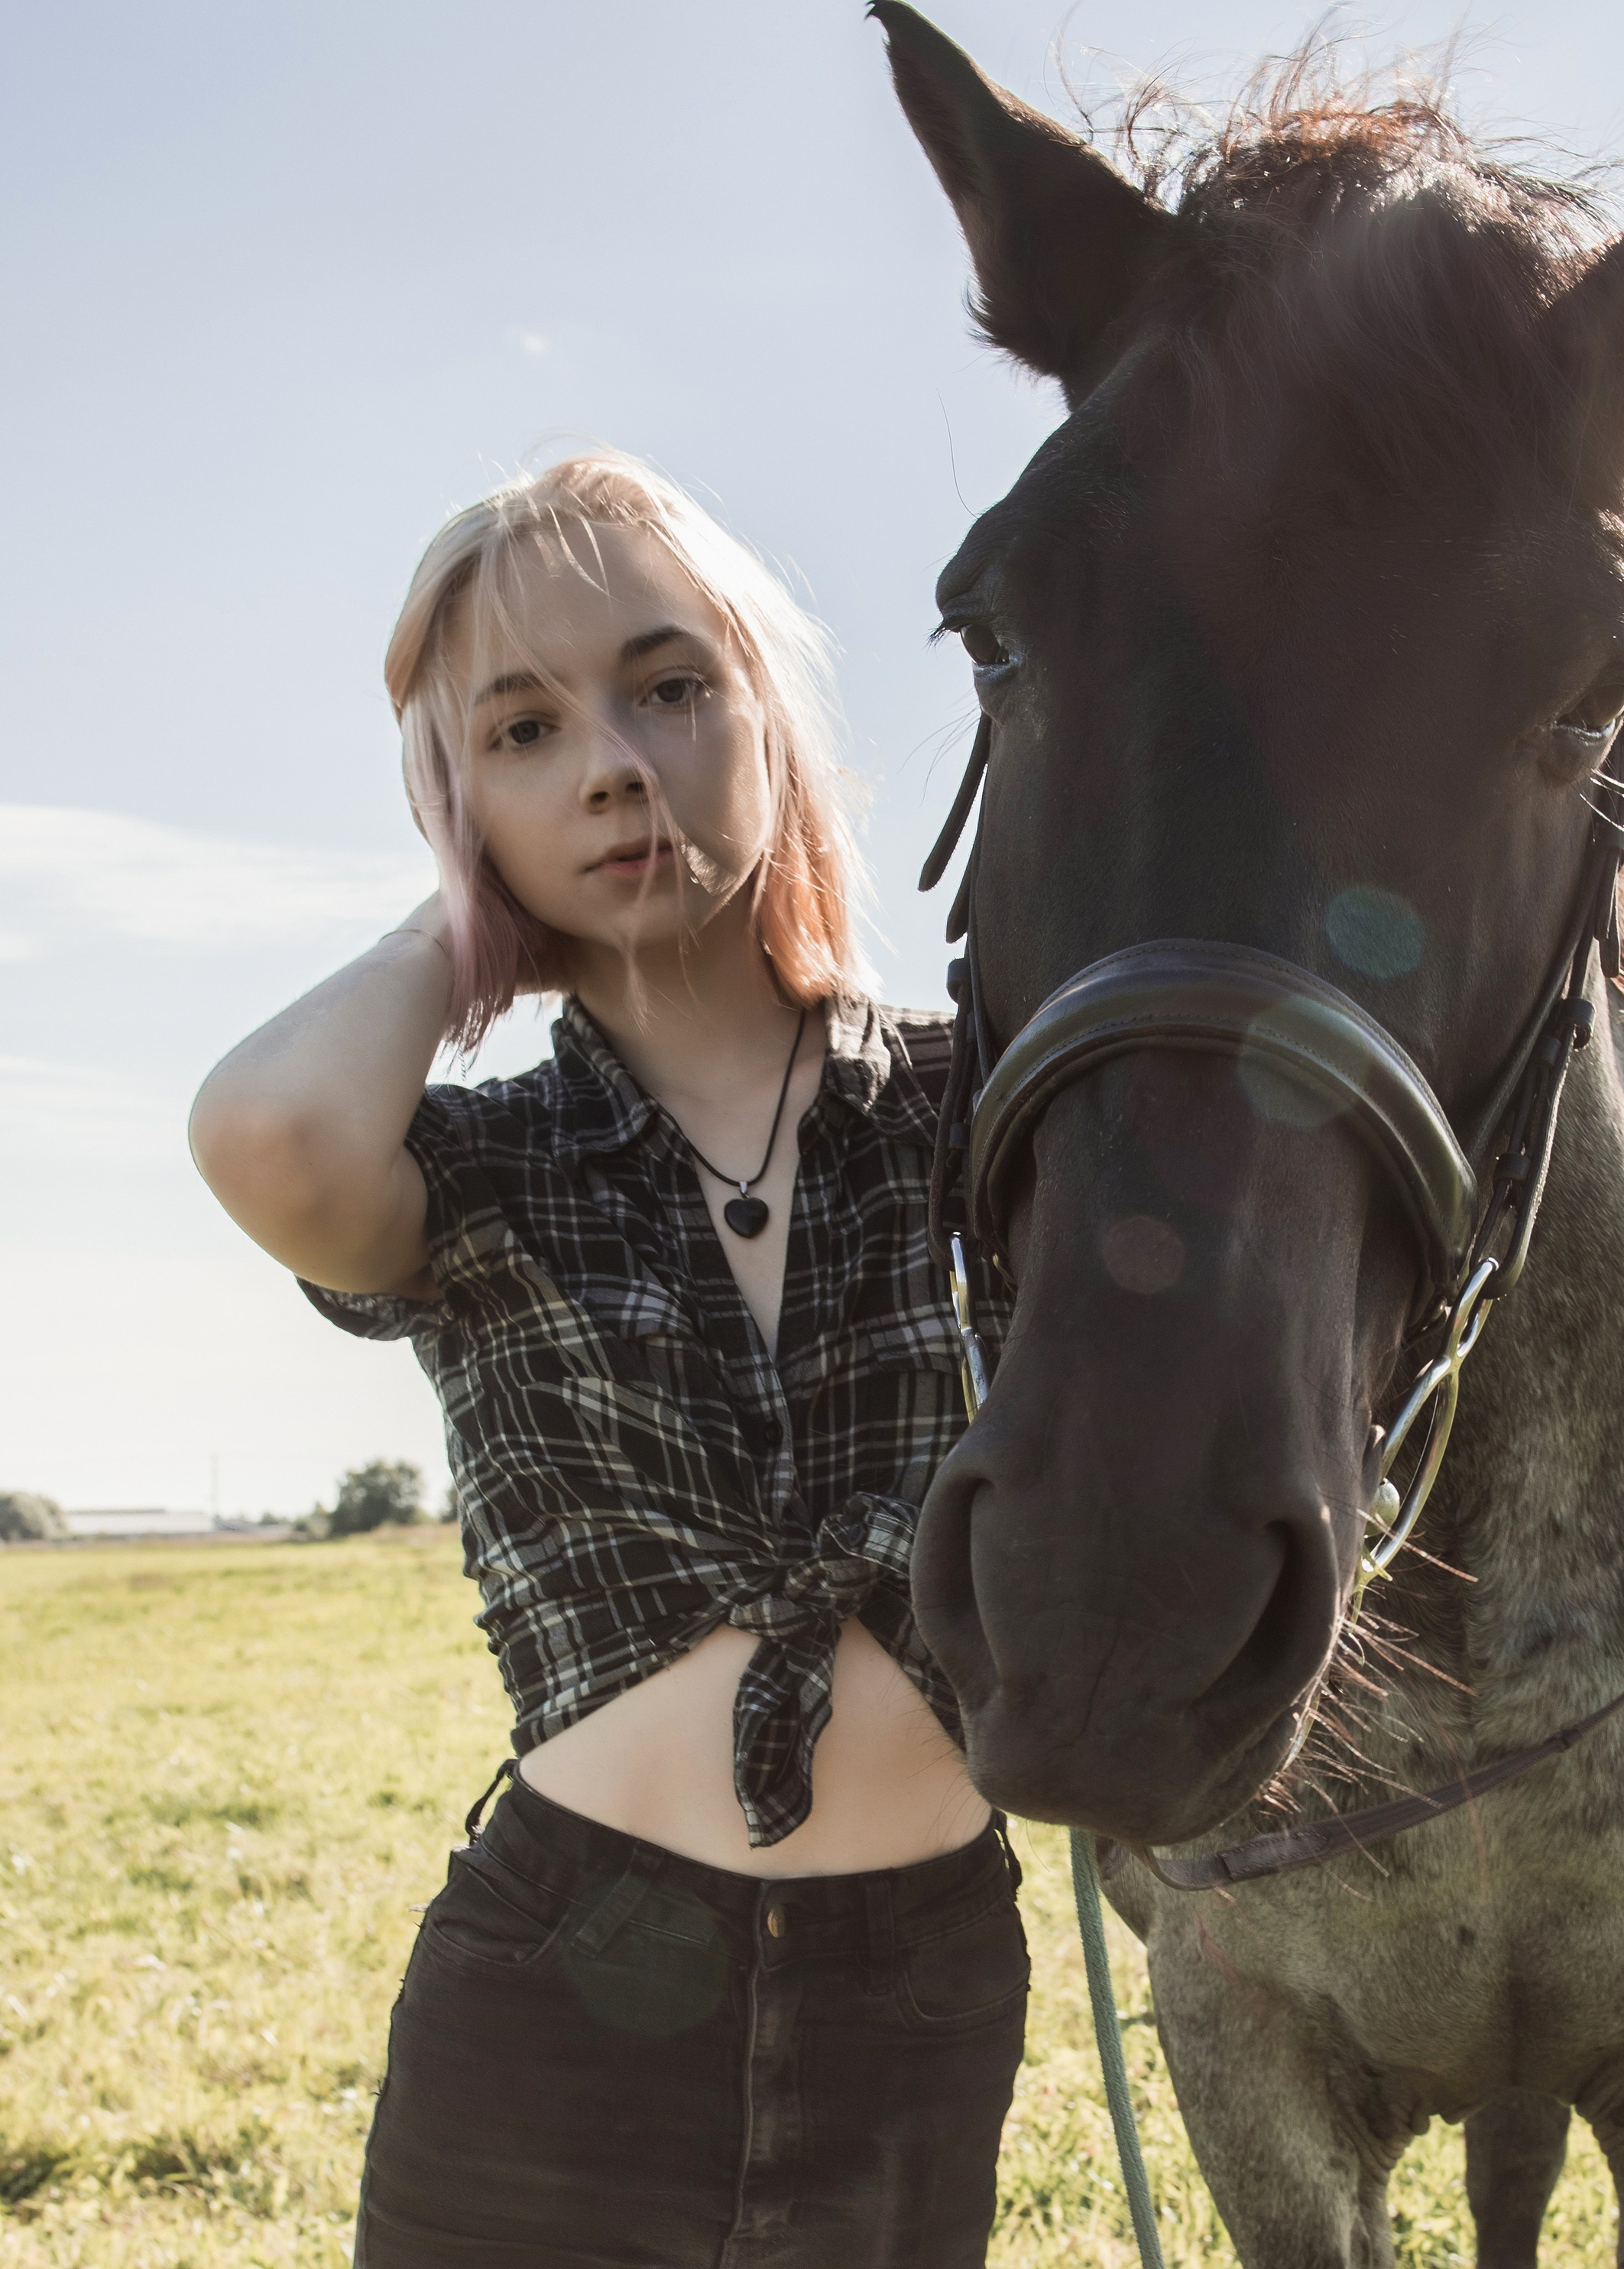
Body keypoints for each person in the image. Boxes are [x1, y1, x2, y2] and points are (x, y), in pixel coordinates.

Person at [189, 452, 1023, 2269]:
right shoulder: (479, 1173)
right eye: (521, 732)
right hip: (557, 1993)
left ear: (766, 714)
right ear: (460, 805)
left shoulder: (975, 1104)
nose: (612, 768)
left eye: (666, 687)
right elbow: (270, 1139)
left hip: (920, 1995)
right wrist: (465, 918)